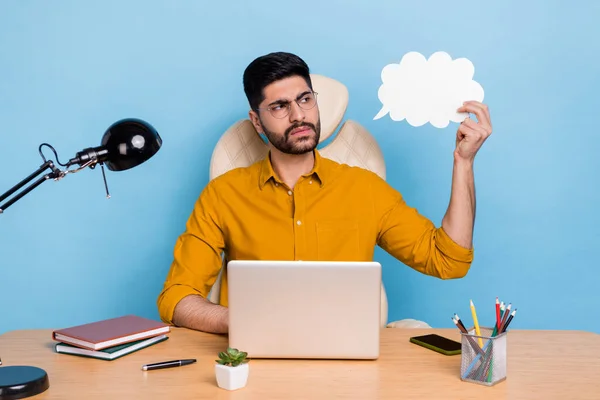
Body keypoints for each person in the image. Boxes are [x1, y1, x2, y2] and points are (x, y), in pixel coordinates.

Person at [157, 51, 493, 334]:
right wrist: (240, 321)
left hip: (349, 357)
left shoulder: (365, 188)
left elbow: (449, 261)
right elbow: (176, 298)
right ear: (256, 122)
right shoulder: (223, 195)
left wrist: (463, 162)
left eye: (305, 99)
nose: (298, 115)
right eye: (279, 106)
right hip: (254, 357)